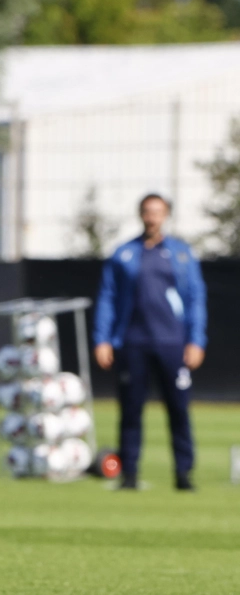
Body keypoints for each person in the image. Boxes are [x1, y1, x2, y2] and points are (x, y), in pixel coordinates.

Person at [94, 194, 206, 491]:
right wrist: (102, 338)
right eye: (147, 212)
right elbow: (108, 297)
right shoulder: (124, 254)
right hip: (133, 342)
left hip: (172, 343)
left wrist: (196, 340)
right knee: (130, 409)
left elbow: (195, 299)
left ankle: (184, 474)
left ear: (166, 215)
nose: (152, 217)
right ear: (140, 214)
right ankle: (128, 474)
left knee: (178, 410)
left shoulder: (181, 254)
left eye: (158, 212)